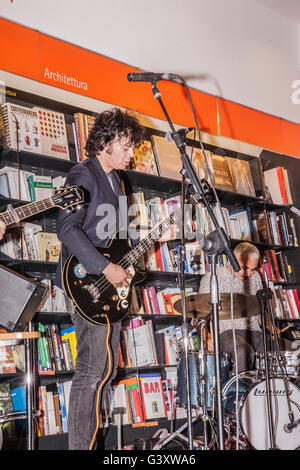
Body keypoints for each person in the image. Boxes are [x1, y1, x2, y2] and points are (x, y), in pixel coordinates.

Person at [55, 107, 176, 450]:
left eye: (133, 147)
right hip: (85, 281)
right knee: (91, 371)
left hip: (110, 287)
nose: (131, 153)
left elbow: (119, 240)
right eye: (125, 145)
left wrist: (135, 258)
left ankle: (92, 444)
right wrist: (105, 268)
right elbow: (66, 228)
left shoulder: (120, 181)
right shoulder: (83, 173)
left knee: (106, 372)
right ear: (105, 142)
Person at [199, 242, 290, 373]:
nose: (249, 273)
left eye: (253, 269)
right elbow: (198, 314)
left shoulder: (256, 277)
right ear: (233, 260)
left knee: (290, 348)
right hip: (227, 332)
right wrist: (206, 337)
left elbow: (258, 310)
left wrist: (270, 325)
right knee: (244, 351)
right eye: (245, 268)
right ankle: (241, 391)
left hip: (255, 333)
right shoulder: (212, 278)